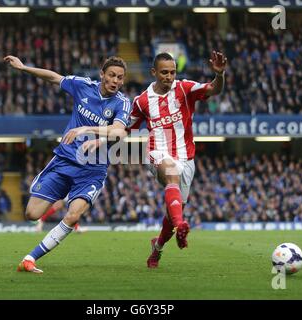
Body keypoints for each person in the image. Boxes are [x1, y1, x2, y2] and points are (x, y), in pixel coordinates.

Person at [82, 51, 227, 268]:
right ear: (154, 72)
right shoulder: (142, 101)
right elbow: (124, 129)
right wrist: (101, 141)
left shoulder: (185, 89)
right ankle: (181, 224)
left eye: (172, 72)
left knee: (170, 215)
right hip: (157, 153)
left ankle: (158, 246)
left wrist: (220, 74)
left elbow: (213, 89)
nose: (169, 76)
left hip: (186, 158)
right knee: (170, 173)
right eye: (164, 72)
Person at [4, 55, 130, 274]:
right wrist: (24, 68)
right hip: (64, 161)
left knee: (73, 215)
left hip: (92, 170)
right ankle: (54, 188)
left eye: (120, 77)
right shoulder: (82, 86)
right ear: (102, 74)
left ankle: (29, 259)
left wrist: (87, 130)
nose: (116, 81)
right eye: (111, 75)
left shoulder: (122, 102)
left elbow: (119, 131)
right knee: (32, 214)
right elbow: (54, 77)